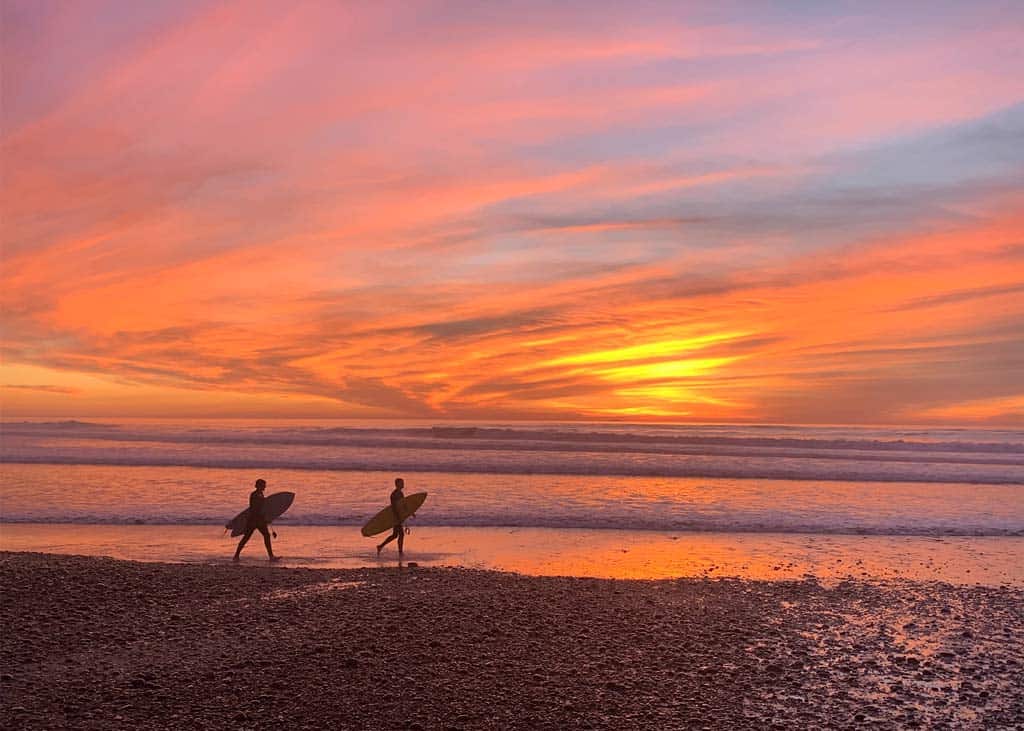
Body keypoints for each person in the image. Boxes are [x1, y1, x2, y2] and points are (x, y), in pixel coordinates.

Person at [233, 478, 279, 562]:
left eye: (265, 485)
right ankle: (236, 555)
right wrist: (263, 518)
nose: (265, 487)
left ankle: (271, 556)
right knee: (247, 537)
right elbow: (255, 508)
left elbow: (261, 507)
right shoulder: (254, 495)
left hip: (258, 520)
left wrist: (265, 516)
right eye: (263, 485)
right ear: (259, 486)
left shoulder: (260, 494)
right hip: (254, 520)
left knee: (266, 536)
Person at [376, 477, 409, 557]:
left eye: (403, 482)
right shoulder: (394, 495)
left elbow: (403, 504)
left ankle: (380, 546)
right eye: (401, 483)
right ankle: (400, 552)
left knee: (395, 535)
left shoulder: (400, 493)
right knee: (400, 534)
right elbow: (394, 507)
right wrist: (398, 518)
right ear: (397, 484)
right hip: (395, 516)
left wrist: (410, 512)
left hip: (399, 516)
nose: (403, 484)